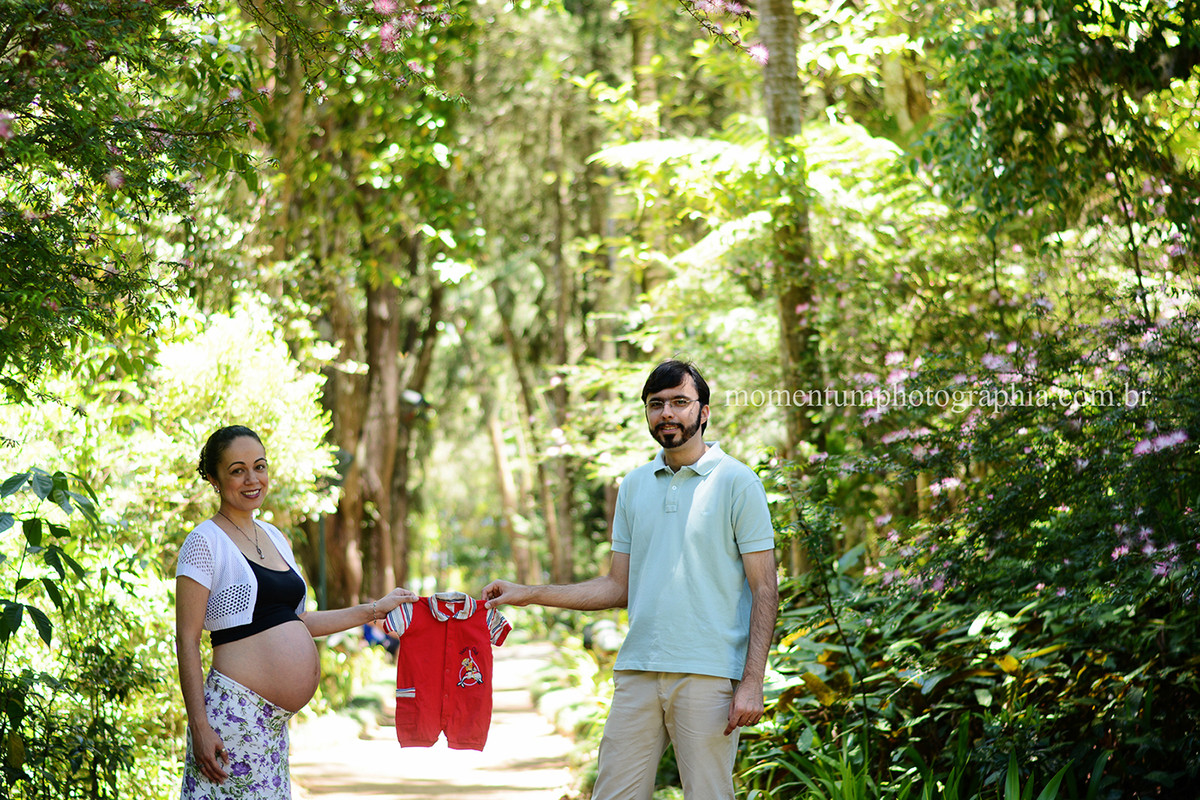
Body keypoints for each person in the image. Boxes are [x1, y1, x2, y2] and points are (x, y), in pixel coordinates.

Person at [483, 360, 778, 800]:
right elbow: (618, 587)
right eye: (656, 404)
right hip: (637, 669)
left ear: (704, 411)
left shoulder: (738, 482)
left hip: (708, 673)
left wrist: (752, 680)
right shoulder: (635, 485)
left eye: (680, 402)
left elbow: (765, 588)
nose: (667, 414)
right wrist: (528, 593)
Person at [175, 424, 417, 798]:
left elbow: (299, 622)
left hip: (272, 728)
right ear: (214, 479)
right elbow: (187, 639)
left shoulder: (275, 537)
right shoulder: (204, 542)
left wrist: (374, 609)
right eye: (237, 470)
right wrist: (199, 726)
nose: (252, 478)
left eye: (260, 466)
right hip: (232, 720)